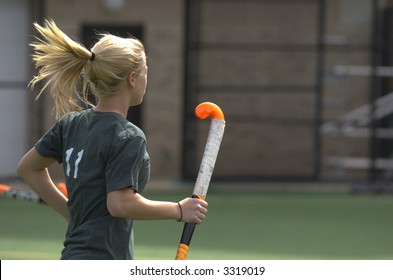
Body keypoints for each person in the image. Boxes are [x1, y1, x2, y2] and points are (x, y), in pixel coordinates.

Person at [17, 19, 208, 260]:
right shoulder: (128, 136)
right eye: (146, 72)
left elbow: (28, 168)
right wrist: (179, 210)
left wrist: (70, 213)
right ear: (132, 78)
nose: (147, 79)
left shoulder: (71, 124)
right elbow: (120, 204)